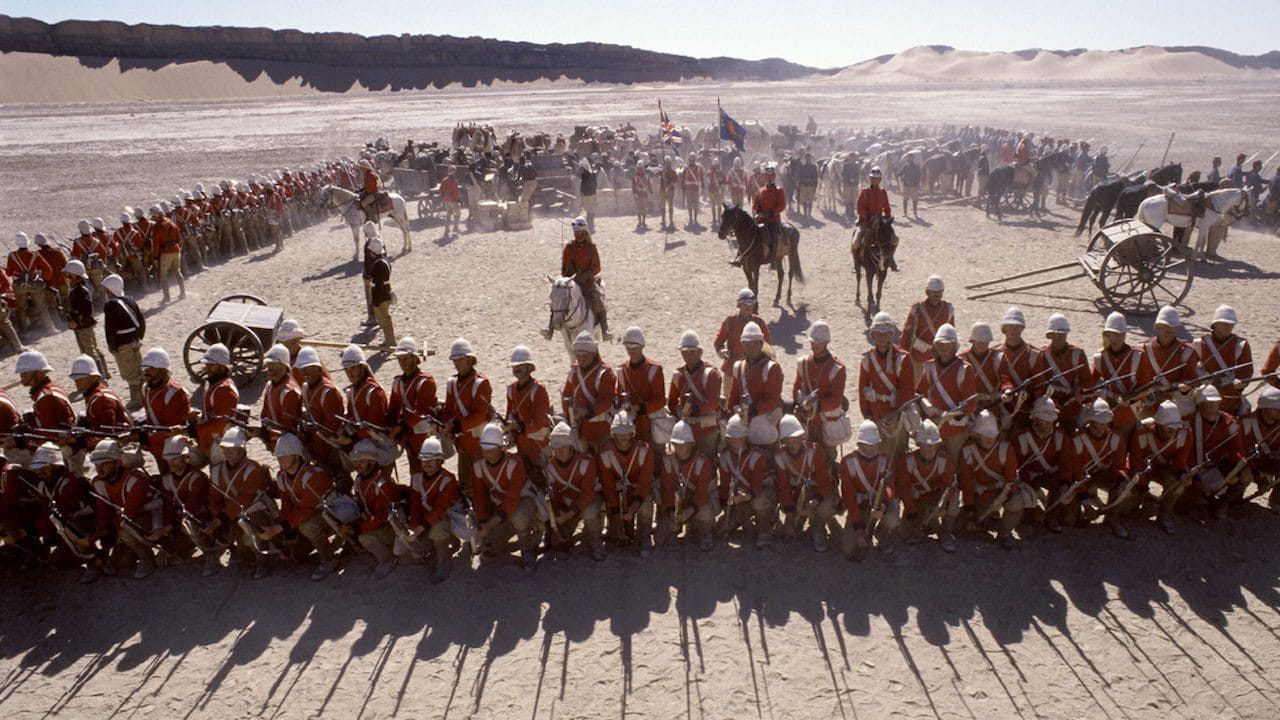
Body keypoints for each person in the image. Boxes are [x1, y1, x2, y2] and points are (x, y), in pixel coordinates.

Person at [89, 439, 160, 579]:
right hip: (126, 522)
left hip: (151, 520)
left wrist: (97, 536)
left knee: (124, 526)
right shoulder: (99, 483)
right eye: (97, 465)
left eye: (104, 463)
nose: (99, 468)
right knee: (121, 563)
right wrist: (104, 546)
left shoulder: (136, 480)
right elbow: (103, 514)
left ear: (117, 462)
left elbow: (129, 512)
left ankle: (147, 558)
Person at [472, 422, 538, 570]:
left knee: (519, 516)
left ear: (501, 448)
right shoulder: (478, 465)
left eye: (491, 450)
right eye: (485, 450)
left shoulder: (515, 463)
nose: (487, 454)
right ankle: (511, 528)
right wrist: (483, 521)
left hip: (522, 501)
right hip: (501, 507)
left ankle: (527, 548)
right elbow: (479, 496)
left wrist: (489, 525)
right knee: (493, 546)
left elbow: (512, 500)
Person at [958, 410, 1025, 549]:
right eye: (985, 434)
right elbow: (966, 482)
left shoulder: (1006, 449)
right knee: (960, 526)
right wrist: (970, 508)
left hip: (1000, 492)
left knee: (1017, 501)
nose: (989, 439)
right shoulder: (967, 450)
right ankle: (988, 521)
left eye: (992, 435)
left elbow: (1011, 479)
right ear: (977, 434)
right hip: (979, 494)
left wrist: (1005, 496)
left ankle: (1004, 533)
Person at [859, 311, 917, 461]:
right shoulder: (867, 359)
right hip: (875, 415)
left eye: (885, 334)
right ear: (872, 335)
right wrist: (867, 416)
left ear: (891, 334)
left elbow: (907, 391)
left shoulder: (903, 358)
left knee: (898, 458)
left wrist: (895, 416)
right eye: (878, 334)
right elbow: (862, 389)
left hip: (897, 417)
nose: (882, 337)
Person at [1128, 400, 1193, 535]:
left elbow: (1180, 462)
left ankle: (1164, 514)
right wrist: (1143, 489)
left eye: (1174, 426)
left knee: (1178, 486)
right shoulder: (1141, 434)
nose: (1172, 430)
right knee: (1128, 504)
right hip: (1142, 470)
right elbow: (1136, 463)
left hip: (1164, 469)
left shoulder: (1184, 434)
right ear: (1158, 424)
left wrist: (1182, 475)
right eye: (1167, 426)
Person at [159, 436, 221, 575]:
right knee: (163, 558)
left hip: (201, 519)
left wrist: (171, 526)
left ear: (185, 457)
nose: (171, 463)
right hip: (180, 521)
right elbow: (167, 506)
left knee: (188, 523)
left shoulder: (197, 477)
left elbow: (192, 507)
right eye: (169, 460)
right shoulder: (167, 479)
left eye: (175, 459)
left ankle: (211, 554)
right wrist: (165, 526)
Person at [543, 421, 605, 559]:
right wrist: (559, 513)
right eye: (556, 448)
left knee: (589, 511)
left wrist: (568, 515)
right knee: (558, 541)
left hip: (589, 500)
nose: (559, 451)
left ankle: (596, 544)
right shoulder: (551, 466)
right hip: (569, 502)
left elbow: (587, 493)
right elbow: (554, 494)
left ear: (570, 446)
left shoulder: (586, 462)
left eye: (563, 447)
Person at [895, 419, 959, 552]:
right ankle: (923, 525)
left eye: (932, 445)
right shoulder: (907, 461)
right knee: (905, 534)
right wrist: (911, 511)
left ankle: (945, 533)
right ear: (919, 444)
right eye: (925, 444)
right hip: (916, 499)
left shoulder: (945, 461)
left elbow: (947, 486)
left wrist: (942, 505)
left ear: (937, 445)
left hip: (935, 498)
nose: (929, 448)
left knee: (954, 499)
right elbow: (904, 488)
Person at [402, 437, 460, 582]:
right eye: (424, 459)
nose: (427, 463)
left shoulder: (448, 479)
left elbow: (440, 510)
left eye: (431, 459)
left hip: (445, 519)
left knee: (438, 529)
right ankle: (432, 547)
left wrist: (419, 530)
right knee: (406, 550)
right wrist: (413, 527)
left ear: (440, 461)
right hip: (425, 522)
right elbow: (415, 506)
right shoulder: (416, 478)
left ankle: (443, 561)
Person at [598, 411, 656, 555]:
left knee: (646, 504)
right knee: (615, 534)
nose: (623, 436)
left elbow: (644, 483)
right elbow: (608, 485)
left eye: (626, 433)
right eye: (619, 433)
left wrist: (632, 509)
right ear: (613, 434)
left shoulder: (645, 450)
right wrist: (616, 512)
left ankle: (644, 536)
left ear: (632, 433)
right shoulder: (605, 452)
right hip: (617, 495)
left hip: (637, 492)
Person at [917, 324, 976, 464]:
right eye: (940, 344)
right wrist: (927, 407)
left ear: (954, 346)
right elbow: (919, 393)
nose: (943, 348)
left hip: (955, 428)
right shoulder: (929, 366)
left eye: (947, 344)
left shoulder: (964, 369)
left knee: (954, 464)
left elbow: (970, 403)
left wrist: (951, 415)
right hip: (934, 426)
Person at [839, 420, 897, 561]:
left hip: (878, 504)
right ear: (859, 444)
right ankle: (864, 529)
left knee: (893, 517)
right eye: (868, 445)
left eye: (875, 444)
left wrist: (883, 505)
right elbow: (849, 497)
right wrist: (859, 528)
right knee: (848, 549)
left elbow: (890, 487)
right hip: (859, 506)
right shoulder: (848, 462)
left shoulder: (885, 459)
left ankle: (882, 533)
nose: (872, 448)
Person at [794, 320, 849, 464]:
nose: (815, 345)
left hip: (826, 424)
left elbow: (836, 400)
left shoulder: (837, 368)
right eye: (813, 342)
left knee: (828, 461)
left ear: (826, 342)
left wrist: (815, 405)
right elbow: (796, 389)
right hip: (807, 421)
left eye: (819, 342)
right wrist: (802, 404)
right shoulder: (803, 363)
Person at [443, 338, 494, 494]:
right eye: (455, 360)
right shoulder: (452, 383)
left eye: (460, 359)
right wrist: (447, 424)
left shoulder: (481, 383)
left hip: (480, 443)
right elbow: (449, 410)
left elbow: (480, 414)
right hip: (462, 442)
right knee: (466, 484)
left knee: (483, 485)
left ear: (470, 360)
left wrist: (457, 426)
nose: (457, 363)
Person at [657, 420, 717, 550]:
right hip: (675, 504)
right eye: (677, 444)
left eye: (685, 444)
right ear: (672, 444)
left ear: (691, 444)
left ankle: (705, 532)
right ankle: (676, 528)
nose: (681, 448)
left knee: (706, 513)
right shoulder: (667, 460)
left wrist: (689, 511)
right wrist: (672, 512)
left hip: (695, 504)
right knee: (659, 539)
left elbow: (702, 493)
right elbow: (667, 489)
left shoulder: (702, 462)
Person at [1187, 386, 1243, 520]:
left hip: (1218, 463)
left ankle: (1224, 502)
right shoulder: (1189, 422)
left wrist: (1235, 470)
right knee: (1189, 488)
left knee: (1244, 477)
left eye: (1215, 401)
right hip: (1194, 466)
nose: (1213, 405)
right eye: (1208, 402)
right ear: (1200, 404)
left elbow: (1237, 448)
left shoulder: (1230, 422)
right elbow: (1185, 452)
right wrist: (1195, 477)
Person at [1135, 306, 1199, 419]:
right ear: (1157, 327)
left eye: (1172, 327)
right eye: (1165, 327)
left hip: (1175, 403)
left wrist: (1184, 386)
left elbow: (1191, 378)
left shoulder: (1187, 352)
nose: (1169, 330)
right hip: (1149, 402)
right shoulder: (1143, 349)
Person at [1015, 397, 1069, 532]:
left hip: (1049, 474)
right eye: (1044, 420)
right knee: (1026, 495)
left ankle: (1051, 517)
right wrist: (1027, 484)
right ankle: (1030, 515)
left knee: (1061, 490)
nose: (1049, 423)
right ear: (1035, 419)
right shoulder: (1021, 437)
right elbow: (1019, 466)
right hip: (1028, 477)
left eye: (1051, 420)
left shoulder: (1060, 436)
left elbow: (1066, 462)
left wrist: (1065, 483)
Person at [727, 321, 784, 449]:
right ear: (742, 345)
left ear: (761, 344)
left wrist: (752, 410)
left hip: (764, 426)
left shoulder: (772, 368)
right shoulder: (738, 367)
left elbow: (772, 400)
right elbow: (734, 396)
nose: (750, 348)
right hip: (743, 425)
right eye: (747, 344)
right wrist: (734, 411)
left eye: (754, 344)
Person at [668, 329, 723, 460]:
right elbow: (672, 402)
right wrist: (679, 412)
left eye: (692, 352)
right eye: (685, 352)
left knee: (707, 461)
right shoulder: (678, 375)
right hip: (685, 428)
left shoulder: (711, 374)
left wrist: (697, 409)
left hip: (706, 428)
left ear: (700, 352)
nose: (689, 355)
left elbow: (713, 402)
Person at [350, 438, 399, 579]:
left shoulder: (382, 483)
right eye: (355, 461)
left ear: (372, 462)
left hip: (391, 527)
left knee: (364, 537)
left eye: (361, 461)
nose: (357, 464)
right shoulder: (359, 480)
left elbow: (382, 516)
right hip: (374, 521)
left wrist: (358, 528)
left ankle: (387, 559)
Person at [562, 331, 618, 453]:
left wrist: (587, 411)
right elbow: (566, 395)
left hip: (602, 428)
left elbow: (607, 400)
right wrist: (569, 414)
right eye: (578, 355)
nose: (581, 358)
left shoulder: (604, 373)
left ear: (593, 353)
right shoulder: (574, 372)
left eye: (585, 355)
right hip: (580, 428)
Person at [1092, 312, 1143, 445]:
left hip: (1128, 413)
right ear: (1107, 334)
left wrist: (1131, 400)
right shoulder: (1100, 357)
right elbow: (1091, 384)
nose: (1118, 338)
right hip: (1106, 410)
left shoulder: (1137, 356)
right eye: (1114, 334)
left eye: (1121, 334)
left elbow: (1146, 386)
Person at [388, 337, 438, 473]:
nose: (402, 363)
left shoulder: (426, 381)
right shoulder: (398, 382)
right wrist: (390, 427)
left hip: (425, 437)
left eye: (405, 358)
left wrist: (399, 427)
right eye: (400, 359)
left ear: (415, 358)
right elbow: (393, 408)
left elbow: (420, 411)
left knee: (430, 473)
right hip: (408, 436)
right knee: (415, 473)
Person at [615, 325, 668, 451]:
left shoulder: (654, 369)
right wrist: (622, 404)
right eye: (628, 347)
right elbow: (617, 396)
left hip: (652, 425)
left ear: (642, 346)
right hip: (631, 426)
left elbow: (660, 400)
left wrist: (639, 408)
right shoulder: (621, 370)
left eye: (635, 347)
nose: (631, 350)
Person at [504, 345, 551, 486]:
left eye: (521, 365)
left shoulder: (539, 390)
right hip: (522, 445)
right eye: (515, 366)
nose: (517, 368)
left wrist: (518, 426)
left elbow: (540, 421)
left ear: (529, 367)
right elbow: (510, 414)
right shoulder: (511, 390)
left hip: (539, 447)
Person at [340, 345, 393, 467]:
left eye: (353, 368)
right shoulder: (352, 391)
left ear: (362, 367)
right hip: (362, 442)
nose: (349, 373)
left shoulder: (374, 392)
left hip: (378, 445)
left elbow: (374, 426)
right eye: (347, 370)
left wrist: (352, 439)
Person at [1195, 305, 1252, 417]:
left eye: (1231, 324)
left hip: (1230, 398)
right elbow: (1190, 369)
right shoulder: (1199, 344)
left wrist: (1241, 382)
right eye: (1225, 324)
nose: (1228, 327)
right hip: (1205, 397)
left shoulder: (1241, 345)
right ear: (1215, 324)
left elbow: (1246, 371)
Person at [138, 347, 191, 469]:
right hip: (156, 442)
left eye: (152, 368)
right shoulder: (146, 388)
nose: (147, 372)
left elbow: (173, 429)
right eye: (146, 368)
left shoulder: (175, 393)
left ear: (162, 370)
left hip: (173, 445)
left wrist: (145, 436)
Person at [560, 216, 610, 340]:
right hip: (571, 282)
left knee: (598, 301)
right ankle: (550, 327)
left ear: (584, 231)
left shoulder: (591, 248)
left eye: (579, 231)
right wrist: (567, 275)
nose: (577, 234)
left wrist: (585, 275)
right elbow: (563, 266)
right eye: (575, 232)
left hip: (587, 282)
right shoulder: (569, 247)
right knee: (558, 299)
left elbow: (597, 267)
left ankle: (605, 329)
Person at [1041, 313, 1092, 431]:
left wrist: (1080, 392)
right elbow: (1040, 382)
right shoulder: (1043, 354)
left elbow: (1087, 381)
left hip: (1072, 404)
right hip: (1050, 403)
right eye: (1057, 335)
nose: (1060, 338)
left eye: (1063, 334)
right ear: (1050, 335)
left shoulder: (1078, 354)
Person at [714, 288, 770, 395]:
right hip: (731, 367)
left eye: (751, 304)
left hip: (753, 369)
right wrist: (722, 351)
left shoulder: (759, 323)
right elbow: (719, 342)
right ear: (739, 305)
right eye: (745, 304)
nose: (749, 307)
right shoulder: (730, 321)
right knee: (728, 398)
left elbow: (767, 347)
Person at [190, 343, 238, 466]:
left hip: (221, 442)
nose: (207, 368)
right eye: (207, 365)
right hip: (210, 438)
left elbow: (221, 423)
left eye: (212, 365)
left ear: (222, 366)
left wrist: (197, 430)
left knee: (219, 472)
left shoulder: (226, 390)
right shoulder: (211, 383)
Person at [900, 275, 954, 383]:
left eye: (939, 292)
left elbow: (951, 336)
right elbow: (908, 336)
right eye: (934, 292)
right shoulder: (917, 310)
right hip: (919, 358)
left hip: (940, 358)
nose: (937, 295)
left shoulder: (948, 309)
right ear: (927, 292)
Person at [62, 260, 109, 380]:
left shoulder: (80, 290)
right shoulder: (78, 289)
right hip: (83, 324)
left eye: (68, 275)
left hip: (83, 326)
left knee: (89, 352)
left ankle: (101, 376)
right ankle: (104, 372)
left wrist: (76, 321)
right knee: (92, 349)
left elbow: (86, 310)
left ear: (74, 276)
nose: (67, 278)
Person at [1238, 387, 1280, 513]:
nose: (1279, 411)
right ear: (1264, 407)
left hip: (1268, 459)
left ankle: (1277, 500)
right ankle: (1230, 500)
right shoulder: (1246, 422)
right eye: (1275, 408)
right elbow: (1240, 450)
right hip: (1246, 462)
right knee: (1242, 476)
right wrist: (1257, 475)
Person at [6, 232, 56, 334]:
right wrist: (44, 280)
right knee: (41, 306)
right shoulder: (34, 255)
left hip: (20, 286)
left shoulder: (12, 256)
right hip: (35, 284)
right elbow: (48, 269)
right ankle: (50, 329)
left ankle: (25, 332)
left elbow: (8, 273)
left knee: (21, 309)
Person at [259, 344, 303, 448]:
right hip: (274, 439)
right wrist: (263, 431)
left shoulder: (289, 392)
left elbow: (287, 426)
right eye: (268, 364)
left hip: (287, 443)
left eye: (273, 365)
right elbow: (265, 413)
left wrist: (265, 433)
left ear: (284, 366)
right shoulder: (270, 385)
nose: (269, 368)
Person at [364, 233, 395, 347]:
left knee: (384, 320)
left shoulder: (378, 264)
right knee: (386, 319)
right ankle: (389, 340)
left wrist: (375, 301)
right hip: (386, 292)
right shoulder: (385, 261)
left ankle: (390, 341)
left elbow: (378, 284)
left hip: (381, 295)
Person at [150, 205, 185, 303]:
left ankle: (167, 297)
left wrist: (155, 257)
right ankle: (183, 293)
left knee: (163, 275)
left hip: (165, 252)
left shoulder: (157, 227)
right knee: (177, 272)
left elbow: (156, 244)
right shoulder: (171, 222)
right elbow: (179, 238)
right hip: (176, 250)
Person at [752, 165, 786, 260]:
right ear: (764, 177)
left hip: (773, 220)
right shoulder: (760, 190)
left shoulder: (779, 190)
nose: (769, 177)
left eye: (771, 175)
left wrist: (769, 214)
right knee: (747, 234)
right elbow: (755, 205)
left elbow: (781, 206)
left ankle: (773, 260)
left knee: (773, 238)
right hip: (760, 219)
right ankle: (741, 256)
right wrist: (756, 213)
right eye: (767, 175)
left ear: (774, 176)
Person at [437, 165, 463, 237]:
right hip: (453, 200)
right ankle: (455, 230)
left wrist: (443, 198)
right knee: (457, 214)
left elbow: (441, 190)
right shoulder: (453, 181)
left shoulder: (444, 180)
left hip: (446, 200)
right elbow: (456, 192)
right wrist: (459, 200)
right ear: (454, 172)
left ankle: (446, 230)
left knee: (448, 215)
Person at [796, 152, 820, 218]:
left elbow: (816, 176)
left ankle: (809, 213)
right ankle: (805, 213)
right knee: (804, 200)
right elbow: (799, 176)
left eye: (809, 157)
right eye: (807, 157)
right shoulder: (802, 167)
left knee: (810, 200)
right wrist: (801, 183)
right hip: (804, 185)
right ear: (805, 158)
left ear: (811, 158)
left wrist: (815, 186)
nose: (808, 159)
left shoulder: (814, 167)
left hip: (811, 186)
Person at [578, 157, 599, 230]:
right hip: (592, 194)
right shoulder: (592, 173)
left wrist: (581, 192)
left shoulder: (584, 174)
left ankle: (589, 224)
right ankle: (590, 225)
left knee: (589, 210)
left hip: (586, 195)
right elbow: (595, 184)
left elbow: (582, 185)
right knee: (591, 210)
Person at [659, 156, 678, 229]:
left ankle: (671, 221)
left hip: (670, 191)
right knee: (663, 207)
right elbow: (657, 175)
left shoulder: (673, 171)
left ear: (670, 163)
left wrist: (669, 186)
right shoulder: (662, 171)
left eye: (668, 162)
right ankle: (663, 221)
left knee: (670, 207)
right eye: (666, 162)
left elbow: (675, 181)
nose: (667, 164)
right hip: (662, 190)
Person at [900, 154, 921, 219]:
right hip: (906, 185)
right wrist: (897, 173)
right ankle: (905, 213)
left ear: (913, 158)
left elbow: (919, 176)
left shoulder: (917, 166)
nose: (909, 159)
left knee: (915, 200)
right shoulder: (905, 166)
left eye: (911, 158)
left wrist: (915, 183)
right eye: (908, 158)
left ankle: (915, 213)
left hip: (914, 186)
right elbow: (901, 173)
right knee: (905, 199)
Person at [631, 163, 651, 229]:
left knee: (644, 208)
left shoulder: (646, 176)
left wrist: (650, 192)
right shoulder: (635, 177)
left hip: (644, 194)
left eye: (641, 168)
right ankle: (639, 222)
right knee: (638, 208)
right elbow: (633, 186)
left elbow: (649, 184)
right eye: (639, 168)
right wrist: (634, 193)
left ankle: (644, 221)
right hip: (638, 194)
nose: (640, 170)